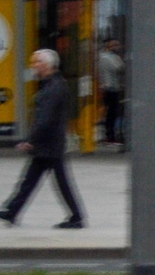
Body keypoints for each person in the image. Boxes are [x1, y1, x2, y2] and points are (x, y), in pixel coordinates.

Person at [2, 49, 85, 229]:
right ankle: (12, 211)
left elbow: (45, 119)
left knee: (60, 183)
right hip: (48, 145)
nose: (33, 66)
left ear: (47, 65)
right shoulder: (52, 85)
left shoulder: (54, 88)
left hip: (50, 145)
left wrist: (30, 139)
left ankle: (77, 217)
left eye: (36, 62)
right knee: (29, 181)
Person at [95, 38, 125, 149]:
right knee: (111, 114)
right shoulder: (107, 57)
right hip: (110, 88)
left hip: (112, 87)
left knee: (111, 113)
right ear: (109, 46)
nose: (117, 47)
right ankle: (109, 136)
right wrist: (120, 60)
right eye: (114, 45)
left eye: (118, 45)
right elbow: (119, 68)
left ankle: (110, 135)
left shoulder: (109, 57)